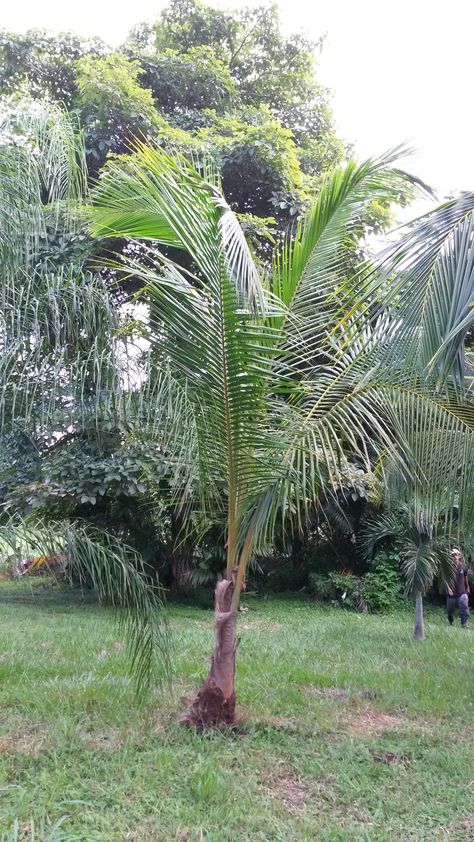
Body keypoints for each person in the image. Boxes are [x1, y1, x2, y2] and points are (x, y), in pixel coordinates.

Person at [447, 549, 470, 628]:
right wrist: (448, 588)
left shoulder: (463, 566)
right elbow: (445, 579)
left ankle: (464, 624)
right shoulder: (449, 567)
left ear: (459, 556)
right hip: (451, 594)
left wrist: (468, 587)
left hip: (462, 593)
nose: (455, 557)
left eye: (456, 555)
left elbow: (465, 578)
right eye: (453, 555)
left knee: (464, 608)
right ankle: (451, 622)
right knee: (450, 611)